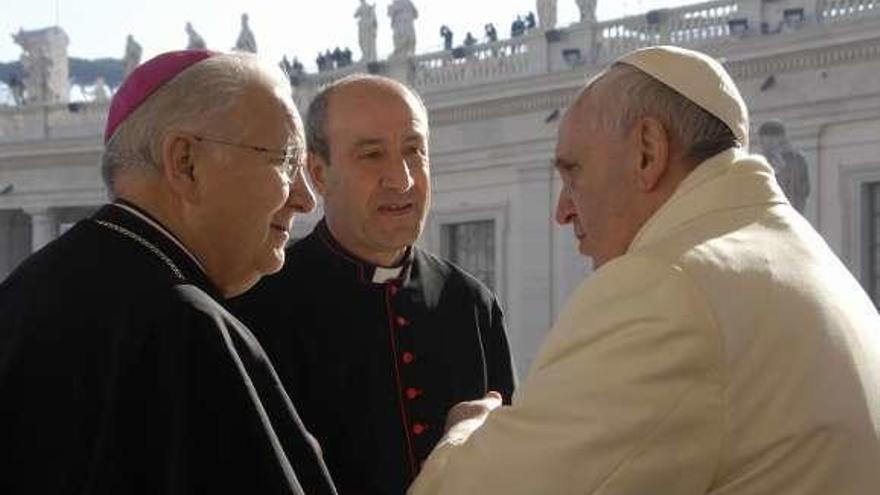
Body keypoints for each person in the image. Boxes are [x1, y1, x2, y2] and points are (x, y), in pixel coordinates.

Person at [409, 45, 880, 494]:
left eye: (573, 173)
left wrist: (467, 432)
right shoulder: (808, 258)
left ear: (647, 153)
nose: (562, 210)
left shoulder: (664, 288)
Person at [0, 50, 337, 495]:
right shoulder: (185, 325)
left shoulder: (22, 293)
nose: (306, 198)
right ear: (185, 163)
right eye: (286, 161)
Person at [231, 74, 516, 495]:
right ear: (318, 172)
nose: (401, 180)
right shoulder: (256, 303)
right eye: (372, 155)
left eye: (414, 151)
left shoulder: (471, 304)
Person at [759, 120, 810, 214]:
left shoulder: (796, 159)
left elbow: (803, 190)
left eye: (774, 136)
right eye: (766, 137)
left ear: (782, 138)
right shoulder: (758, 162)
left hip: (789, 210)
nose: (770, 141)